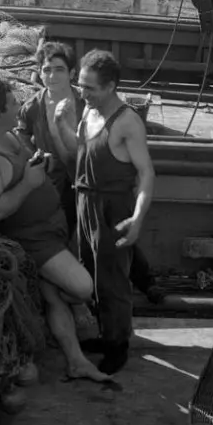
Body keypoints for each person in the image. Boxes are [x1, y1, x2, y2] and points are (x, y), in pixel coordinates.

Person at [0, 73, 109, 383]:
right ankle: (66, 306)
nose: (19, 106)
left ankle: (76, 361)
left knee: (54, 294)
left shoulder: (9, 134)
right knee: (82, 287)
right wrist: (29, 183)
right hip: (33, 240)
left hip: (52, 226)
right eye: (13, 103)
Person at [17, 41, 157, 297]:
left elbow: (108, 148)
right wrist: (38, 153)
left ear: (71, 73)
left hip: (95, 184)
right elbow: (23, 136)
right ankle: (81, 293)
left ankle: (145, 282)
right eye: (46, 70)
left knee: (115, 242)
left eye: (59, 69)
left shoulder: (89, 105)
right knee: (77, 240)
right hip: (60, 185)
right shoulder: (33, 107)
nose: (51, 76)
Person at [74, 49, 156, 375]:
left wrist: (137, 219)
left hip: (113, 209)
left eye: (90, 88)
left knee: (113, 282)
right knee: (90, 276)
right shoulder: (87, 111)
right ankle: (105, 333)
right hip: (85, 204)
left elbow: (147, 173)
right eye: (80, 85)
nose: (83, 92)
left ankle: (118, 345)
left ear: (110, 87)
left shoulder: (127, 122)